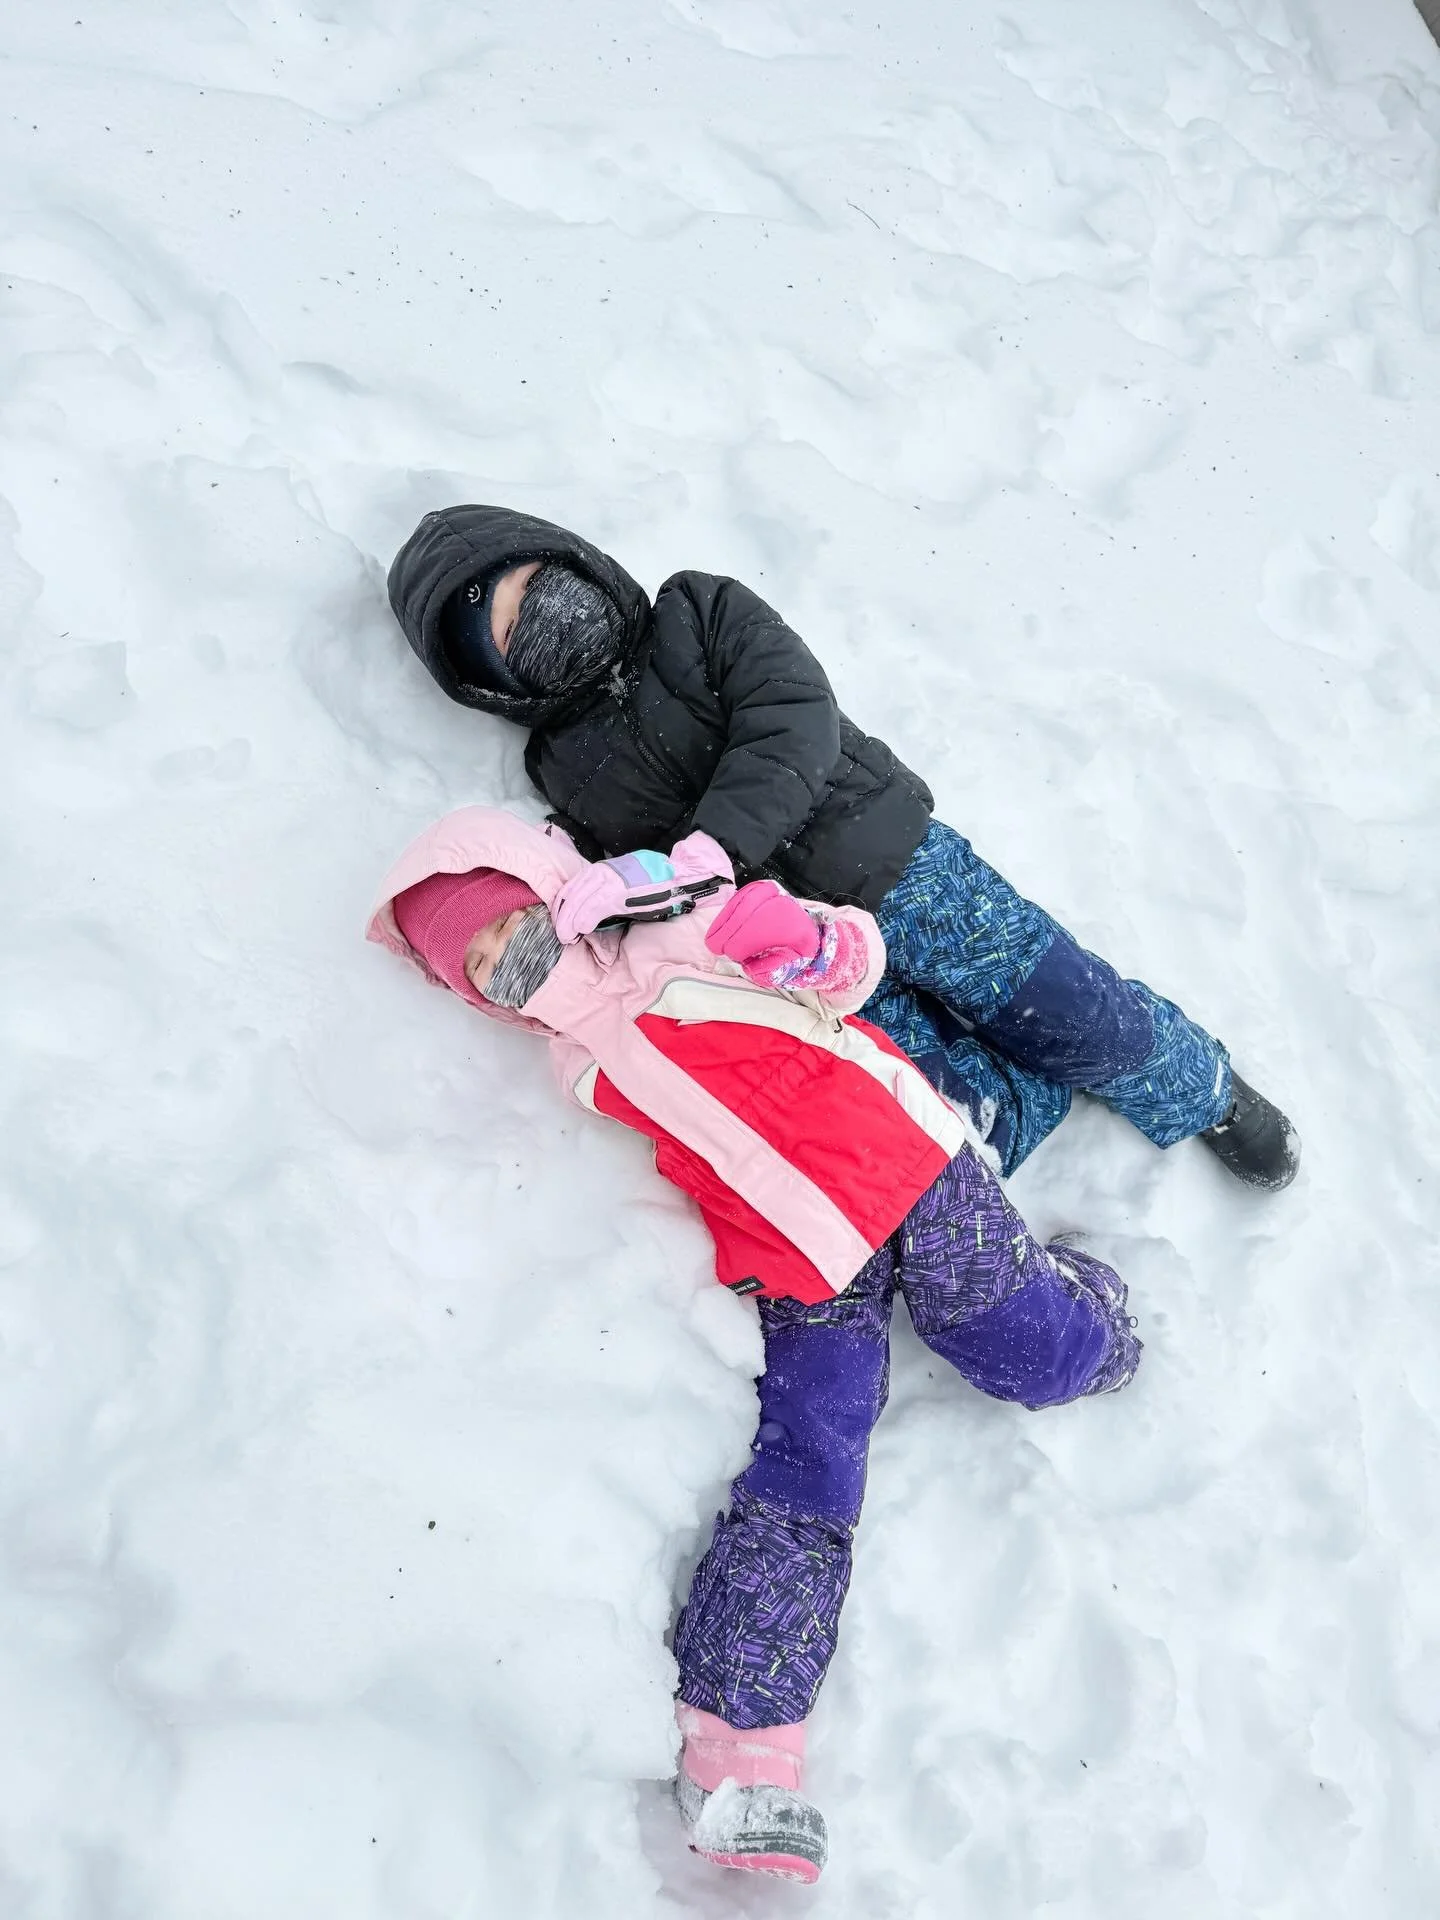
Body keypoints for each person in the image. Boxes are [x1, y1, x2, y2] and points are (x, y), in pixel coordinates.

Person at [367, 805, 1143, 1883]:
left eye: (508, 926)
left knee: (1022, 1349)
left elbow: (849, 967)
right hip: (796, 1255)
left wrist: (799, 940)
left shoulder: (671, 932)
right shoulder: (572, 1070)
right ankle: (741, 1759)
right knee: (809, 1463)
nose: (508, 963)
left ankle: (1096, 1312)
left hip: (910, 1165)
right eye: (480, 967)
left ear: (546, 889)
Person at [385, 507, 1299, 1189]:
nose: (536, 620)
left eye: (533, 586)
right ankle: (1039, 1092)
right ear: (492, 684)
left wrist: (714, 844)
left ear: (571, 560)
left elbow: (793, 720)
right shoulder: (560, 763)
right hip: (790, 957)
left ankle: (1203, 1090)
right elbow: (650, 892)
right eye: (507, 633)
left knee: (1070, 1006)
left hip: (902, 869)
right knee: (947, 1114)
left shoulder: (696, 613)